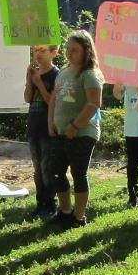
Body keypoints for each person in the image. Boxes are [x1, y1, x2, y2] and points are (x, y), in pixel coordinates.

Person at [45, 30, 104, 228]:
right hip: (60, 131)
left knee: (79, 173)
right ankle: (65, 211)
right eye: (68, 49)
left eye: (75, 50)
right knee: (56, 171)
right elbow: (54, 98)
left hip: (82, 133)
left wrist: (75, 126)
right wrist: (51, 121)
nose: (70, 54)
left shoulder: (89, 74)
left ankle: (78, 218)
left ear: (86, 51)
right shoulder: (64, 72)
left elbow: (94, 103)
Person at [25, 44, 60, 219]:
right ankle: (40, 203)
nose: (38, 54)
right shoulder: (33, 72)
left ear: (54, 53)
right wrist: (30, 81)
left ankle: (51, 202)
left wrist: (39, 83)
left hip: (48, 127)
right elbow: (27, 98)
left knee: (47, 168)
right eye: (36, 50)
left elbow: (51, 101)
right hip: (33, 125)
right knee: (37, 168)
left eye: (42, 51)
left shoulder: (56, 75)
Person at [112, 81, 138, 207]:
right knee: (132, 164)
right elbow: (118, 95)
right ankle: (132, 197)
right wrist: (117, 87)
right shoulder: (126, 76)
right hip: (131, 130)